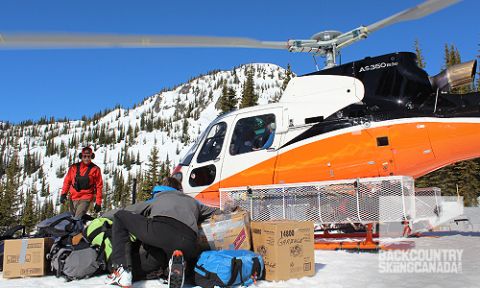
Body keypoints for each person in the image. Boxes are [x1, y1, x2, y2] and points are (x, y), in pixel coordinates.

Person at [105, 177, 220, 288]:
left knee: (120, 217)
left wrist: (103, 216)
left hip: (161, 231)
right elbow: (215, 211)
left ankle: (123, 269)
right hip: (189, 242)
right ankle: (172, 267)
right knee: (163, 251)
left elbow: (128, 210)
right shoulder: (193, 201)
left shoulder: (158, 198)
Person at [60, 146, 103, 217]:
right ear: (81, 156)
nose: (86, 158)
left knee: (77, 218)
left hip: (86, 197)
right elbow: (67, 181)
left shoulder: (95, 169)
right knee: (72, 218)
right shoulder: (74, 167)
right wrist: (63, 194)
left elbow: (99, 186)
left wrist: (98, 203)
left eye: (88, 156)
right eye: (84, 156)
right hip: (73, 197)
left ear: (91, 157)